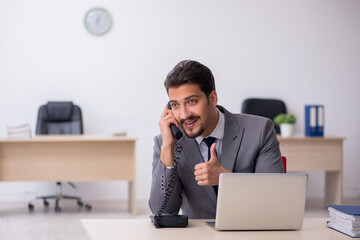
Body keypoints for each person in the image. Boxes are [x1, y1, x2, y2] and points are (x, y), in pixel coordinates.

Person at [149, 60, 284, 219]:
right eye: (176, 105)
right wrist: (167, 149)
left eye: (191, 101)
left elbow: (274, 200)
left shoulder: (260, 131)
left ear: (212, 98)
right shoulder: (166, 143)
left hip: (250, 230)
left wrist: (227, 179)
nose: (184, 115)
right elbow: (161, 212)